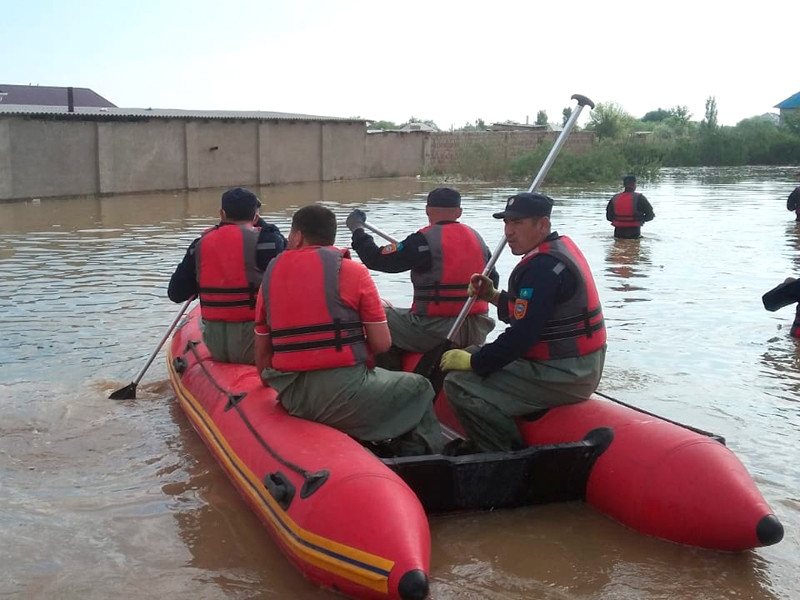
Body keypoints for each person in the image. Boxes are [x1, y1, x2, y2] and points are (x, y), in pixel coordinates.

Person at [254, 204, 444, 456]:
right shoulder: (353, 272)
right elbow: (382, 344)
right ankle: (418, 458)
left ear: (298, 236)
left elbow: (261, 357)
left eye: (290, 235)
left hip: (292, 395)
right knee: (420, 387)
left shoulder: (271, 275)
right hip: (342, 392)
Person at [439, 192, 607, 453]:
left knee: (459, 383)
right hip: (573, 365)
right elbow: (532, 314)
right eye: (506, 223)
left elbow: (522, 336)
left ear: (542, 225)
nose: (509, 232)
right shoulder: (555, 251)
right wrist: (493, 296)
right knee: (472, 356)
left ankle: (502, 453)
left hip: (566, 373)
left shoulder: (542, 268)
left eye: (517, 223)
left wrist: (475, 362)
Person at [345, 187, 499, 361]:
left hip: (436, 330)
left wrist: (357, 230)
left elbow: (377, 259)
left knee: (379, 314)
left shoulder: (422, 241)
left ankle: (390, 369)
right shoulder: (478, 240)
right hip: (478, 327)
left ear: (427, 210)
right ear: (459, 212)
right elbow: (494, 280)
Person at [168, 187, 287, 364]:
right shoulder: (269, 242)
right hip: (256, 342)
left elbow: (176, 294)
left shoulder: (199, 245)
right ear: (255, 217)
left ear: (222, 214)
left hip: (216, 344)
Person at [606, 174, 655, 239]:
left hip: (618, 233)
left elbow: (609, 217)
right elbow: (650, 215)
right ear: (634, 184)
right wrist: (640, 220)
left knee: (618, 248)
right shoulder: (640, 198)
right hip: (634, 233)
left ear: (624, 185)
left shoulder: (615, 198)